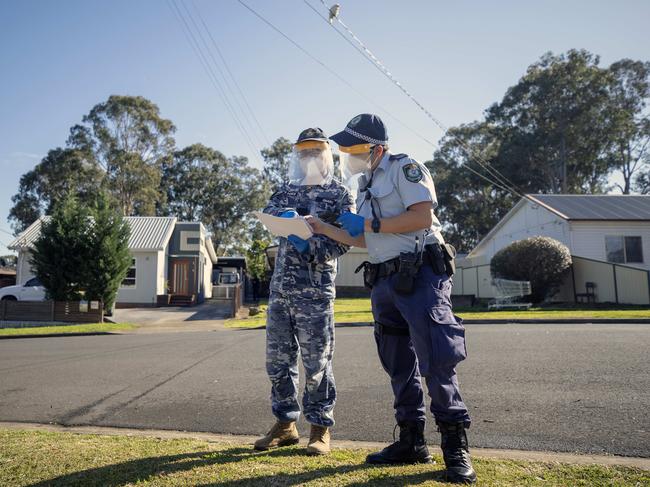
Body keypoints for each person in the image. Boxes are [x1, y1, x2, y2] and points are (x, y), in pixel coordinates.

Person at [306, 114, 476, 483]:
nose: (346, 155)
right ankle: (411, 441)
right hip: (384, 280)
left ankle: (455, 449)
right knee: (398, 363)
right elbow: (365, 240)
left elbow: (421, 217)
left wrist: (368, 224)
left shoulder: (406, 169)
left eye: (352, 148)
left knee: (436, 358)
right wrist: (324, 229)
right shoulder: (365, 185)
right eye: (345, 148)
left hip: (419, 276)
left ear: (376, 148)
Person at [254, 127, 353, 456]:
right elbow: (268, 215)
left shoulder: (339, 194)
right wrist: (279, 219)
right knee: (277, 363)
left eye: (314, 151)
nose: (309, 157)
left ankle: (320, 428)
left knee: (317, 363)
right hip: (281, 290)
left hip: (315, 293)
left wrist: (310, 243)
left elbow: (344, 241)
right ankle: (285, 425)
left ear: (326, 154)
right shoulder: (286, 190)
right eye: (304, 152)